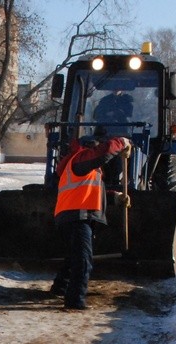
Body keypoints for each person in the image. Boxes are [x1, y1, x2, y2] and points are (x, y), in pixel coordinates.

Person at [49, 127, 132, 309]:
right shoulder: (80, 159)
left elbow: (92, 191)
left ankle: (60, 287)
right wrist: (123, 142)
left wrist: (115, 197)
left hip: (74, 215)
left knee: (74, 257)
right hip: (77, 215)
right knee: (84, 260)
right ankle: (75, 301)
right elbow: (104, 152)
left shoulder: (82, 168)